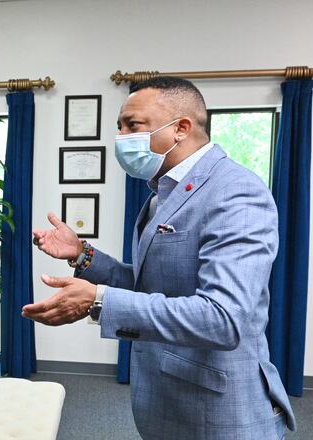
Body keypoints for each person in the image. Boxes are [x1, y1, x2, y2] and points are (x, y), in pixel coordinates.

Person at [25, 77, 295, 440]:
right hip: (169, 400)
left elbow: (222, 319)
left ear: (181, 128)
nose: (120, 137)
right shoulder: (161, 192)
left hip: (217, 413)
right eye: (119, 126)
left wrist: (99, 300)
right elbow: (154, 286)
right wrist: (82, 254)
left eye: (131, 126)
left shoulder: (235, 191)